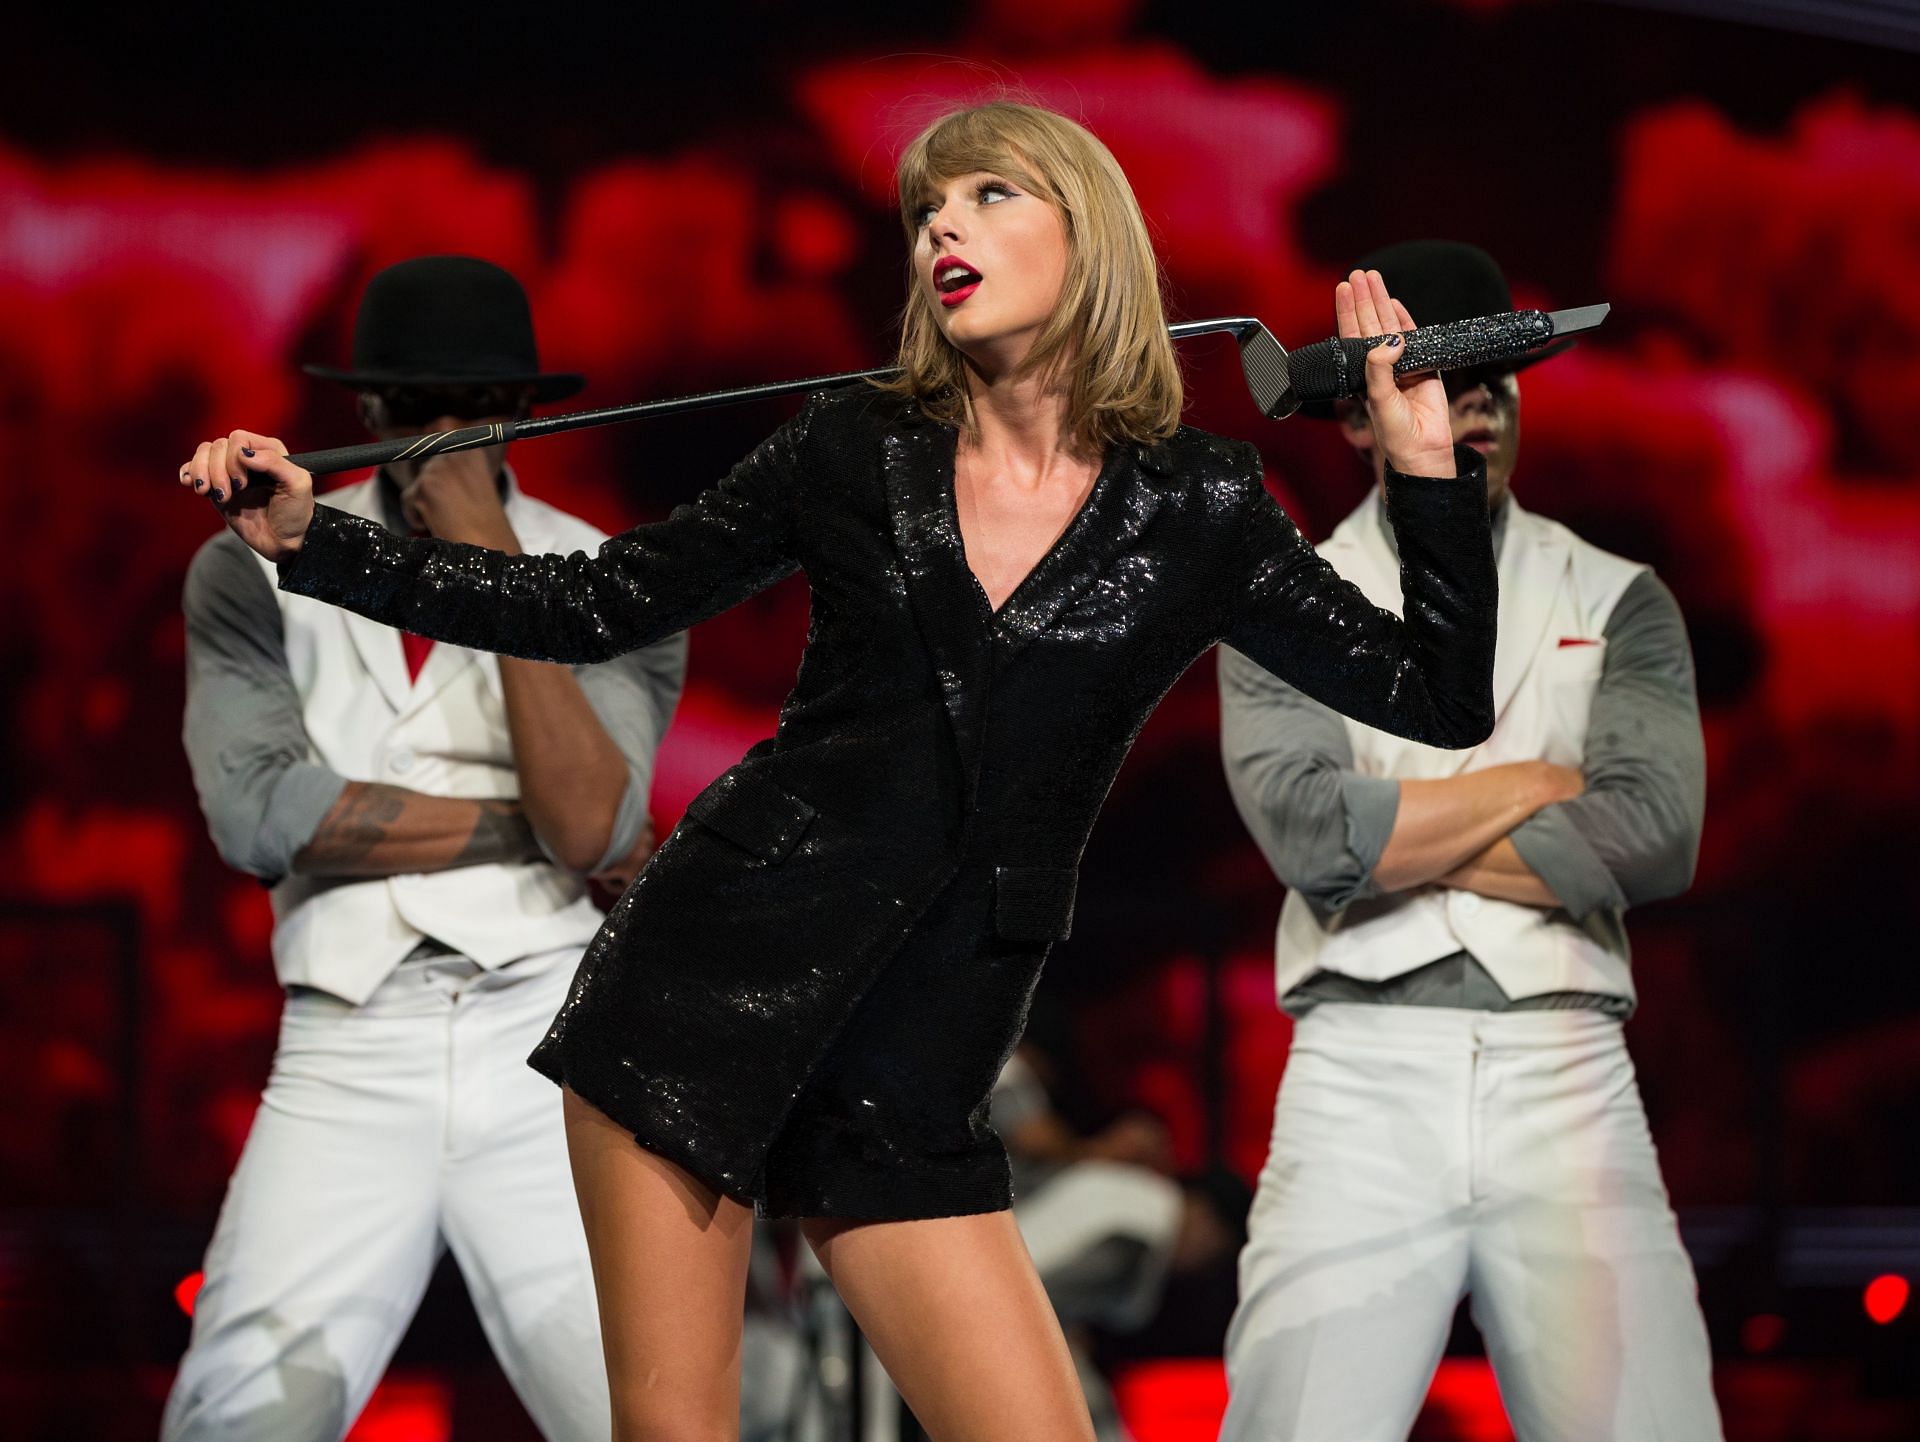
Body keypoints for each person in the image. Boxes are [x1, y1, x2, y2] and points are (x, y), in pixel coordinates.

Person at [177, 103, 1498, 1441]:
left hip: (918, 1061)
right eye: (928, 206)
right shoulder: (853, 445)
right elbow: (592, 602)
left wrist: (1422, 464)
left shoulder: (1201, 501)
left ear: (1087, 231)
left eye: (988, 194)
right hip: (700, 993)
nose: (942, 225)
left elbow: (1436, 697)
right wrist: (312, 540)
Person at [164, 256, 688, 1442]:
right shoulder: (245, 563)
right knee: (235, 1416)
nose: (440, 438)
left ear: (519, 414)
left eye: (474, 410)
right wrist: (541, 842)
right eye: (414, 407)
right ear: (366, 410)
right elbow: (261, 819)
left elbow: (590, 823)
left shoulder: (610, 576)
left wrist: (488, 547)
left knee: (646, 1413)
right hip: (348, 1039)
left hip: (546, 1038)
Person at [1216, 240, 1721, 1441]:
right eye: (1444, 384)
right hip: (1359, 1076)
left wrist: (1396, 833)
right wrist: (1538, 784)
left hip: (1570, 1074)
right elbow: (1308, 835)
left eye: (1494, 382)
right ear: (1357, 419)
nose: (1476, 410)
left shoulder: (1619, 592)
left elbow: (1653, 838)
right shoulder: (1284, 597)